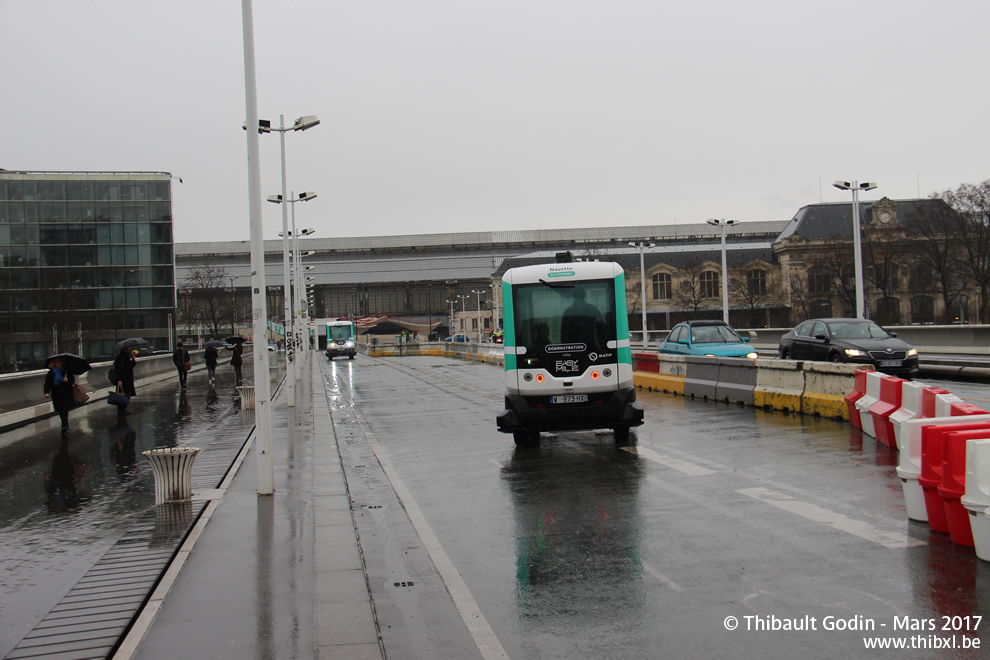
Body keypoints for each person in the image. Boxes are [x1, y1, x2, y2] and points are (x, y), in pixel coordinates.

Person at [44, 357, 75, 434]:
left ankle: (64, 426)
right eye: (58, 362)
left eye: (61, 362)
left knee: (64, 409)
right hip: (56, 394)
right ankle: (64, 424)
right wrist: (46, 392)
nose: (60, 363)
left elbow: (72, 381)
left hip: (65, 393)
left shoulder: (66, 371)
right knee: (60, 409)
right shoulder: (51, 373)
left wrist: (67, 380)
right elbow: (47, 383)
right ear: (54, 363)